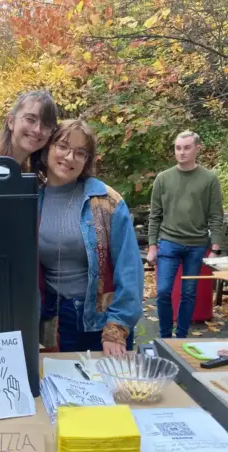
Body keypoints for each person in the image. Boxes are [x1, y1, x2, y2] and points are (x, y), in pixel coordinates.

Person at [38, 119, 143, 355]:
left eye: (80, 152)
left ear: (86, 160)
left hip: (101, 318)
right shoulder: (31, 200)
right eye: (62, 146)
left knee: (109, 388)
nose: (69, 157)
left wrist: (116, 327)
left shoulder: (106, 201)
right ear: (48, 148)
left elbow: (129, 269)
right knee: (57, 387)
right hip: (52, 318)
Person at [147, 130, 224, 338]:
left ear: (197, 149)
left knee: (189, 293)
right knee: (163, 292)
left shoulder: (209, 179)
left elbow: (216, 216)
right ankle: (165, 337)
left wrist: (216, 249)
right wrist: (152, 246)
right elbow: (154, 215)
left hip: (197, 245)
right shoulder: (163, 179)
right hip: (169, 243)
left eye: (187, 147)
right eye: (178, 148)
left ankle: (180, 337)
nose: (181, 152)